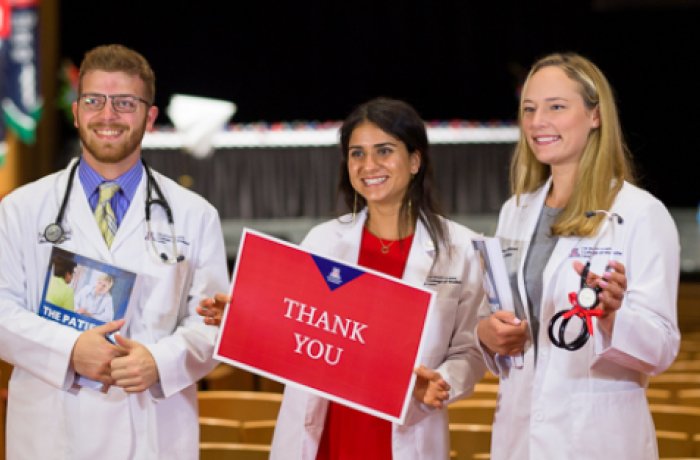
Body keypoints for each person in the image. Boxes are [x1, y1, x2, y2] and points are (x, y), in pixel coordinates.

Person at [199, 97, 488, 459]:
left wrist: (442, 383)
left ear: (415, 161)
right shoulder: (321, 241)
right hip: (326, 433)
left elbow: (470, 349)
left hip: (403, 428)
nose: (369, 165)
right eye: (357, 154)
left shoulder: (460, 249)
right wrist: (244, 322)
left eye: (384, 151)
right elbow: (296, 328)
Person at [0, 44, 228, 459]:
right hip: (51, 433)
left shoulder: (194, 215)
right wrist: (70, 351)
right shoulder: (21, 209)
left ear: (150, 116)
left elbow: (213, 323)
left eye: (125, 103)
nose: (108, 116)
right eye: (94, 101)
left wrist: (159, 361)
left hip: (153, 431)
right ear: (75, 112)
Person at [475, 52, 680, 460]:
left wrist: (612, 317)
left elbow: (662, 348)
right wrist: (488, 334)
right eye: (529, 108)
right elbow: (495, 312)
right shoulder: (514, 211)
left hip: (597, 438)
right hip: (520, 435)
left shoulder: (640, 213)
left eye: (556, 107)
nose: (537, 122)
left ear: (595, 116)